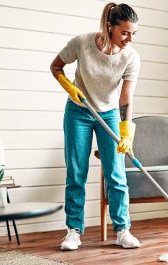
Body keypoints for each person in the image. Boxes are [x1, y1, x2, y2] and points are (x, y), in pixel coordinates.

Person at [50, 3, 141, 251]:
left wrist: (126, 133)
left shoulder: (131, 57)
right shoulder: (82, 43)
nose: (129, 39)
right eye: (125, 32)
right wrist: (69, 87)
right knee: (76, 172)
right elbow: (55, 66)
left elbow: (126, 98)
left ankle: (123, 230)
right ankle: (74, 231)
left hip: (110, 113)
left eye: (133, 33)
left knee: (116, 174)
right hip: (78, 112)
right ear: (110, 26)